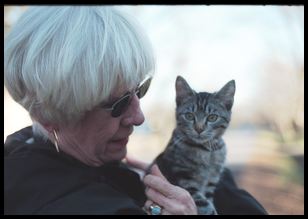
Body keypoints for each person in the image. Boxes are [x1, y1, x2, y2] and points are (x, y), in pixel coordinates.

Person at [4, 6, 267, 215]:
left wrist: (200, 173)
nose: (139, 117)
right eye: (117, 104)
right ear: (51, 116)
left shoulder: (28, 153)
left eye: (139, 90)